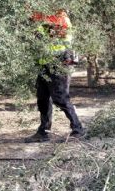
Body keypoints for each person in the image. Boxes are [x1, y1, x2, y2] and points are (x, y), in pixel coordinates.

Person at [26, 8, 84, 143]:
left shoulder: (62, 18)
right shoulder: (41, 16)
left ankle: (78, 128)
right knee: (43, 99)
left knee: (60, 97)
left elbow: (60, 36)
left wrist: (42, 33)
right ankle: (43, 132)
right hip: (44, 64)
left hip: (59, 63)